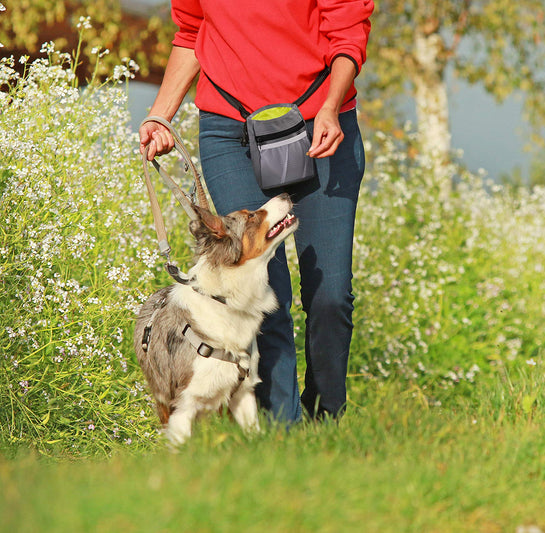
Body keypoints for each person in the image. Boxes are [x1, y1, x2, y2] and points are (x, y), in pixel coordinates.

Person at [139, 0, 374, 423]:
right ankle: (286, 435)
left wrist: (330, 106)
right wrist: (161, 115)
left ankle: (326, 420)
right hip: (230, 131)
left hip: (320, 123)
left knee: (331, 297)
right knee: (264, 297)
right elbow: (192, 32)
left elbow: (348, 34)